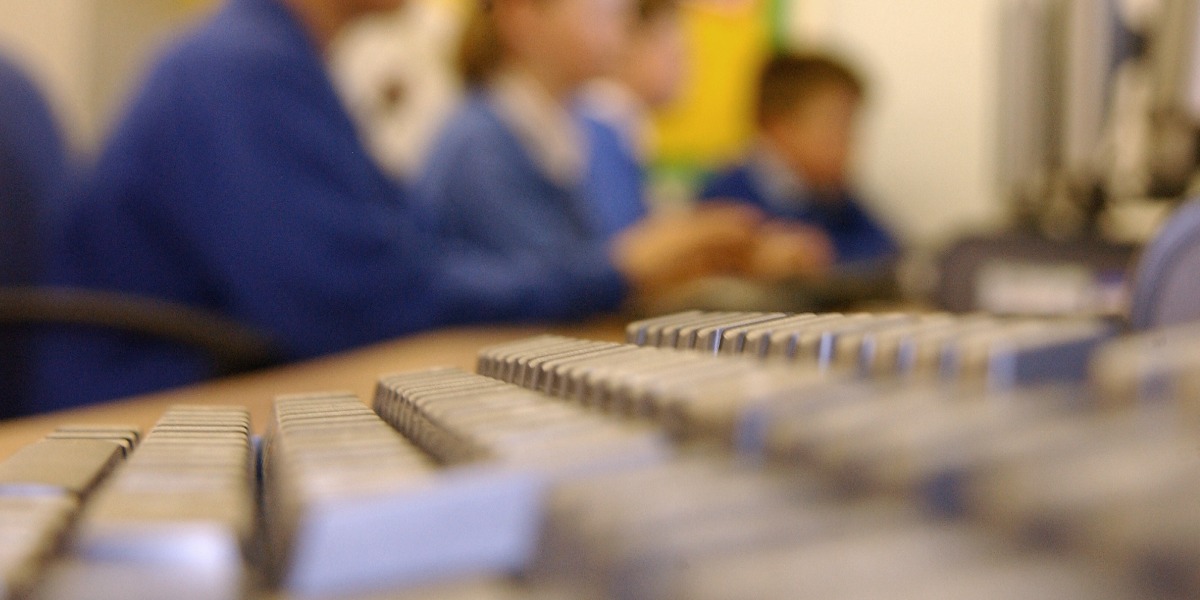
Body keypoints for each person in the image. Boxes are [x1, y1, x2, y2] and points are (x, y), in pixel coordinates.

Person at [34, 0, 758, 410]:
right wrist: (613, 270)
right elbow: (359, 302)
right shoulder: (237, 67)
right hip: (141, 415)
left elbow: (393, 267)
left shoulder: (282, 63)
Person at [416, 0, 754, 268]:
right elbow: (542, 282)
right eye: (600, 14)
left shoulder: (577, 127)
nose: (618, 35)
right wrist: (648, 257)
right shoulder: (480, 142)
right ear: (523, 17)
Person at [701, 52, 900, 275]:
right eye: (836, 125)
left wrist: (828, 253)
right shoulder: (726, 199)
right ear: (779, 127)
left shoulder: (831, 194)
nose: (851, 142)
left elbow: (892, 252)